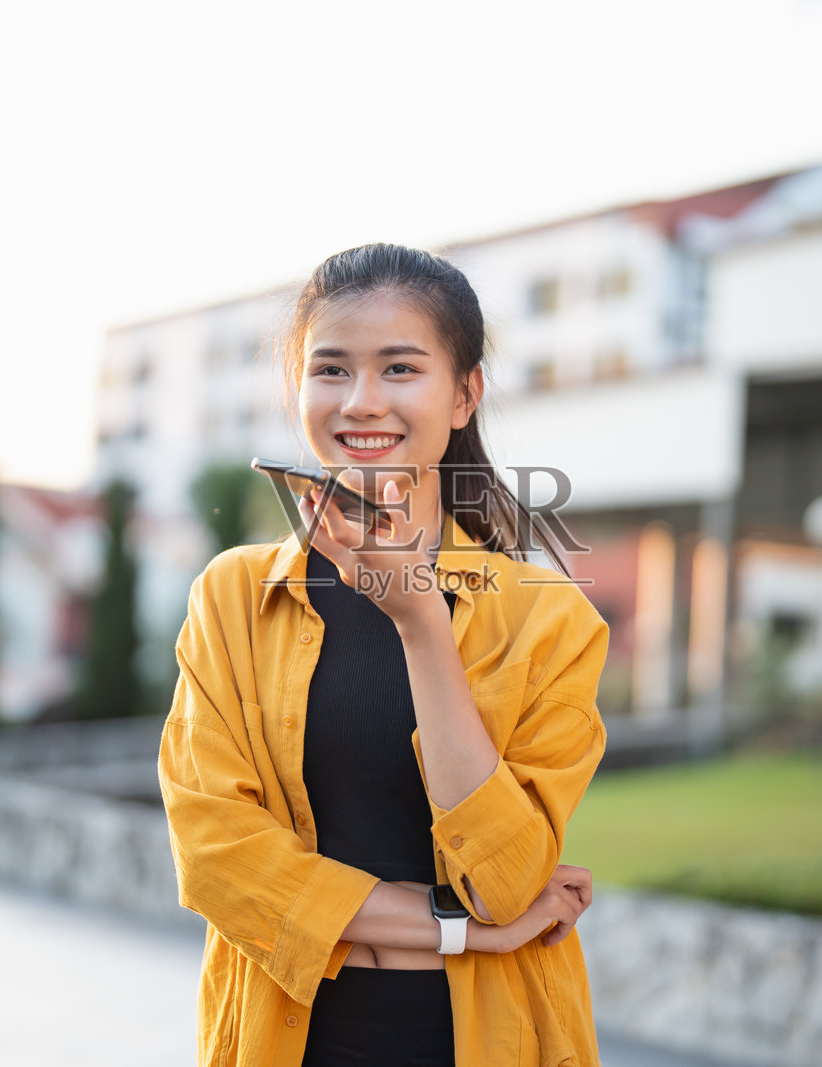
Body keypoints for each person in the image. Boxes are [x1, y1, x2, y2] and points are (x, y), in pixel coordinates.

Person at [157, 243, 611, 1067]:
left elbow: (503, 880)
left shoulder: (549, 620)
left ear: (464, 393)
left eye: (400, 368)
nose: (362, 403)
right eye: (330, 371)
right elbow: (217, 856)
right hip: (284, 1035)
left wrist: (421, 623)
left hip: (485, 1038)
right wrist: (460, 930)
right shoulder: (230, 598)